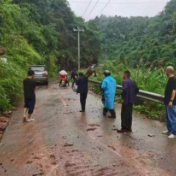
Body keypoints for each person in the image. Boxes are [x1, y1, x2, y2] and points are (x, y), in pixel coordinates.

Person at [162, 66, 176, 139]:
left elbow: (174, 90)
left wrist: (171, 100)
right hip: (167, 101)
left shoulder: (173, 80)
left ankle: (174, 133)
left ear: (168, 71)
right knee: (168, 116)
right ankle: (169, 130)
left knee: (172, 117)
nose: (165, 72)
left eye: (166, 71)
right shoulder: (170, 79)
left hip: (171, 102)